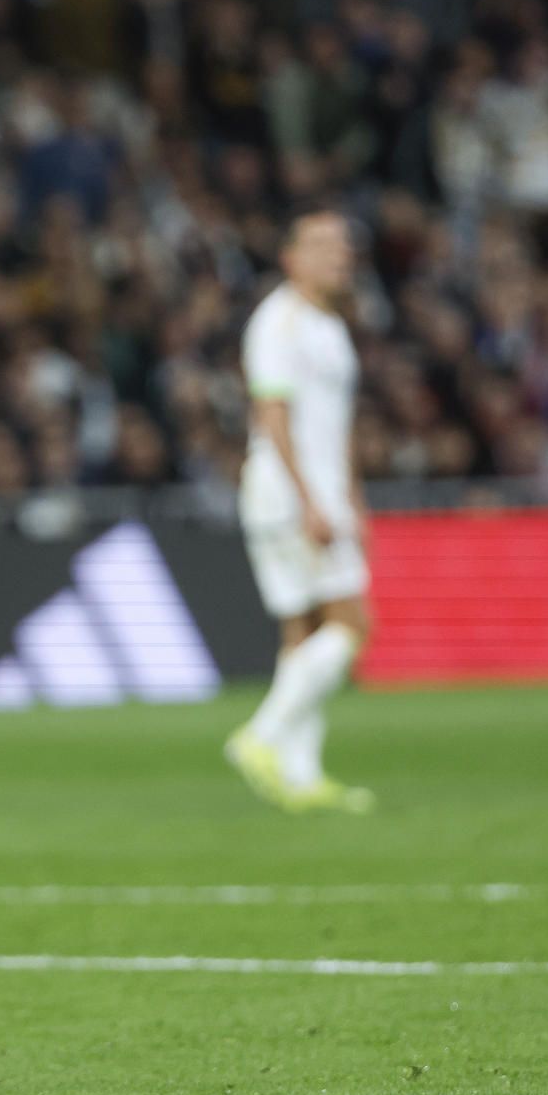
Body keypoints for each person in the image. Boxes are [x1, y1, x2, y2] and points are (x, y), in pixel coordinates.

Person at [226, 210, 376, 814]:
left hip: (314, 495)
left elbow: (337, 429)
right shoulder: (278, 323)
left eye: (343, 243)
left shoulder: (329, 325)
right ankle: (259, 737)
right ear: (291, 258)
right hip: (288, 496)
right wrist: (313, 501)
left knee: (303, 633)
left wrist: (352, 497)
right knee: (353, 625)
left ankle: (300, 775)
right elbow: (273, 417)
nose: (339, 254)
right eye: (322, 244)